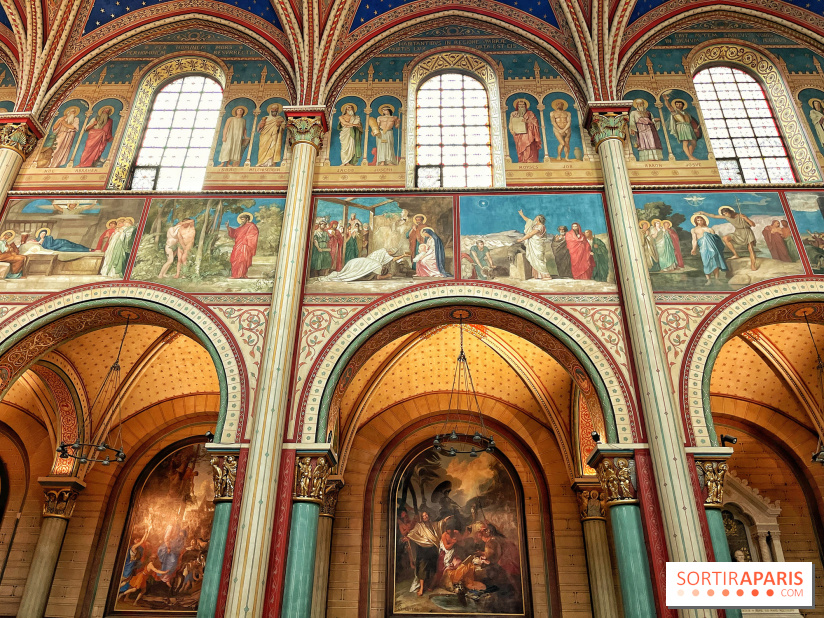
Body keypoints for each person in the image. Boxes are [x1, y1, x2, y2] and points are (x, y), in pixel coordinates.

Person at [404, 511, 453, 595]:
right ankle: (421, 588)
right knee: (422, 568)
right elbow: (412, 533)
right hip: (423, 549)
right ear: (421, 517)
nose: (425, 516)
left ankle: (430, 585)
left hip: (432, 548)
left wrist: (444, 520)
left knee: (433, 567)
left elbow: (439, 524)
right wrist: (408, 537)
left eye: (426, 514)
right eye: (423, 515)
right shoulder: (419, 526)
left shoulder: (433, 524)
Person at [318, 248, 400, 282]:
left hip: (354, 262)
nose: (381, 272)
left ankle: (337, 275)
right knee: (347, 275)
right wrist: (387, 276)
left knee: (346, 273)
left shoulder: (376, 262)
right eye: (382, 271)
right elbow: (378, 277)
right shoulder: (378, 265)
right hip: (356, 263)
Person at [663, 93, 702, 161]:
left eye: (680, 104)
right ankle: (690, 157)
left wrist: (693, 129)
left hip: (689, 127)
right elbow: (669, 107)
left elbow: (690, 122)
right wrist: (666, 100)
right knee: (685, 142)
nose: (678, 105)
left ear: (683, 105)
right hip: (681, 127)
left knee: (693, 142)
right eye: (677, 104)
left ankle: (690, 156)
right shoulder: (675, 112)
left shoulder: (686, 113)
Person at [690, 214, 727, 284]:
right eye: (698, 220)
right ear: (695, 221)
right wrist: (693, 249)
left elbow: (715, 240)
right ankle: (708, 280)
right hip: (703, 248)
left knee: (715, 263)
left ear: (704, 221)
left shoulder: (710, 229)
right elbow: (694, 240)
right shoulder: (694, 230)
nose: (699, 222)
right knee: (706, 263)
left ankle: (717, 280)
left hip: (713, 248)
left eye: (701, 220)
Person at [517, 210, 551, 279]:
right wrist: (522, 215)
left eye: (536, 217)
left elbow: (530, 234)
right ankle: (538, 275)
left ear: (538, 219)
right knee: (535, 259)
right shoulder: (535, 225)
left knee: (539, 260)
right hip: (534, 244)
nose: (535, 218)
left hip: (537, 244)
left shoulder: (540, 226)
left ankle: (546, 276)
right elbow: (528, 220)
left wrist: (521, 239)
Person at [227, 212, 259, 278]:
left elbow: (253, 234)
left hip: (245, 245)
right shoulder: (241, 227)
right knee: (235, 259)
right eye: (241, 219)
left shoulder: (251, 226)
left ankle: (242, 274)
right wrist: (228, 228)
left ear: (247, 219)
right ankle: (235, 275)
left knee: (243, 260)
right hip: (238, 245)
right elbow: (235, 233)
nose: (241, 221)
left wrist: (245, 238)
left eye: (243, 219)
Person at [508, 99, 541, 163]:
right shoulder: (514, 114)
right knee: (520, 147)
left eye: (523, 105)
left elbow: (535, 122)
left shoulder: (530, 113)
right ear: (517, 106)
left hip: (529, 132)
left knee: (529, 146)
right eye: (520, 105)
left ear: (525, 106)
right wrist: (511, 130)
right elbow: (511, 123)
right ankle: (522, 160)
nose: (521, 106)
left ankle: (530, 160)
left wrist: (527, 121)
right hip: (518, 134)